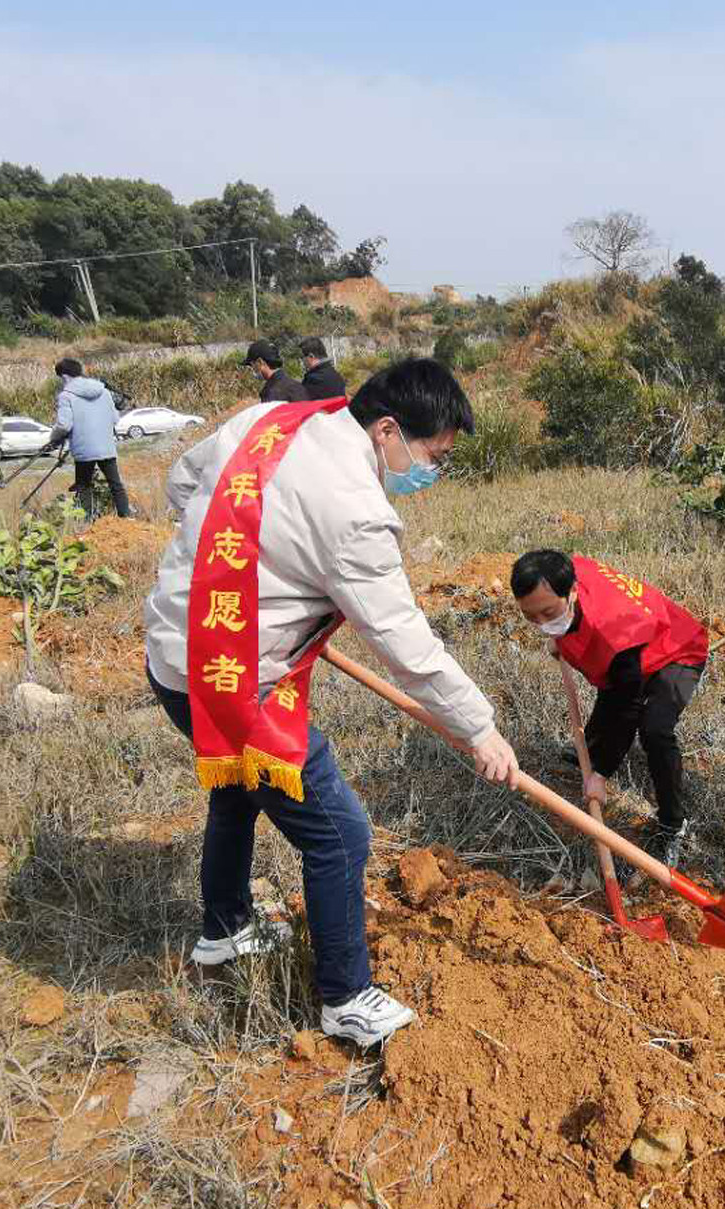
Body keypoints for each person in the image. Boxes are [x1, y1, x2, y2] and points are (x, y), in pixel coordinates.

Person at [143, 357, 521, 1047]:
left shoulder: (272, 420)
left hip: (175, 653)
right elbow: (405, 642)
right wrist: (481, 728)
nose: (431, 472)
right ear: (386, 430)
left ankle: (224, 930)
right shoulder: (355, 513)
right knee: (341, 833)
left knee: (237, 790)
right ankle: (345, 997)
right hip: (231, 681)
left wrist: (238, 555)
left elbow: (183, 481)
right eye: (432, 456)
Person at [510, 549, 708, 868]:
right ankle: (590, 748)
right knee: (611, 687)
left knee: (655, 730)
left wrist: (601, 773)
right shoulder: (568, 570)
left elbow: (626, 707)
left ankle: (673, 824)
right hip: (635, 645)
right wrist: (557, 633)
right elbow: (613, 685)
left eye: (548, 613)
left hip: (678, 649)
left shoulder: (614, 637)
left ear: (572, 591)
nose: (542, 624)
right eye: (531, 617)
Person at [45, 357, 130, 519]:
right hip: (106, 446)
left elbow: (64, 425)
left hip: (84, 449)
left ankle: (87, 520)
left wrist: (53, 438)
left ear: (64, 376)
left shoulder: (66, 396)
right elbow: (115, 419)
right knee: (116, 484)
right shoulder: (103, 391)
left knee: (84, 486)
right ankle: (126, 517)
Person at [243, 340, 308, 403]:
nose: (252, 369)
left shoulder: (272, 393)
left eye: (252, 365)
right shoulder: (297, 386)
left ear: (260, 362)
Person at [298, 336, 347, 400]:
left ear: (311, 356)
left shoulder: (313, 380)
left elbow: (302, 403)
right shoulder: (336, 375)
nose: (301, 360)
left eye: (302, 357)